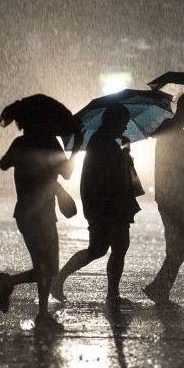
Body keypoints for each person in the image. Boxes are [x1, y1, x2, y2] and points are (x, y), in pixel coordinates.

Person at [51, 105, 142, 303]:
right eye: (123, 123)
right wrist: (124, 153)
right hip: (105, 204)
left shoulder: (105, 141)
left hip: (111, 204)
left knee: (116, 247)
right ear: (113, 121)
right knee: (100, 249)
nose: (125, 127)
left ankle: (112, 294)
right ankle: (59, 280)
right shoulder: (102, 142)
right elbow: (111, 173)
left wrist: (125, 151)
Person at [0, 118, 71, 327]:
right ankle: (41, 311)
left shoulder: (21, 143)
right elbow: (68, 173)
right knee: (48, 267)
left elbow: (3, 164)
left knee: (44, 266)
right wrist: (73, 151)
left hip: (26, 212)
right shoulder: (51, 143)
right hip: (44, 213)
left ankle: (11, 284)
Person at [143, 91, 184, 304]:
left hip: (174, 194)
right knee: (181, 245)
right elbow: (179, 162)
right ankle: (159, 289)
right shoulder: (171, 131)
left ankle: (159, 288)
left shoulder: (173, 131)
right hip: (173, 195)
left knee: (183, 245)